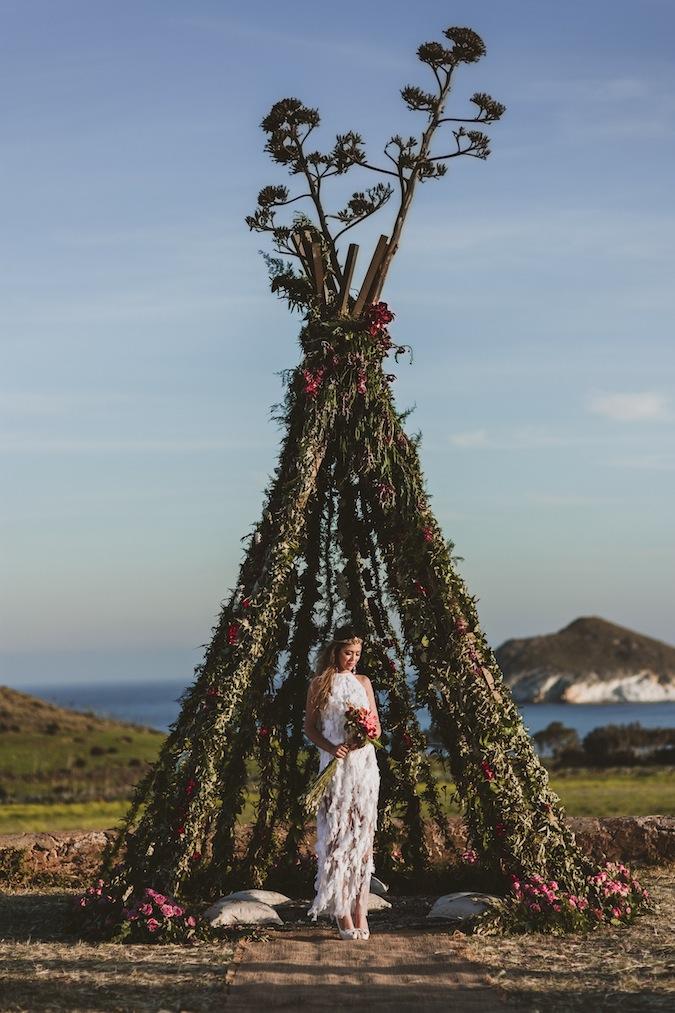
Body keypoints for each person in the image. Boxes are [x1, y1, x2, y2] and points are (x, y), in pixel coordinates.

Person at [304, 626, 381, 940]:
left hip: (363, 768)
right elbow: (310, 728)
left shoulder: (364, 682)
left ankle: (361, 910)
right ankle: (341, 912)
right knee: (338, 837)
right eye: (348, 653)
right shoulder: (319, 684)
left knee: (363, 839)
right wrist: (331, 747)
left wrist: (364, 736)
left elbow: (376, 727)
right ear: (335, 652)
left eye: (357, 654)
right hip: (335, 767)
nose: (353, 659)